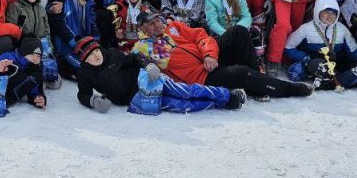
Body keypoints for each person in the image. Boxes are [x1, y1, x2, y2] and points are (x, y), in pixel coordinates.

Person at [135, 11, 312, 99]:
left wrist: (209, 54)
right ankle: (286, 88)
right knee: (241, 73)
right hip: (202, 76)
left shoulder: (173, 27)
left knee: (238, 32)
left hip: (209, 59)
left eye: (158, 19)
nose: (158, 24)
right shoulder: (143, 49)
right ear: (141, 28)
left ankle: (256, 84)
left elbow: (200, 35)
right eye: (152, 23)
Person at [75, 37, 245, 113]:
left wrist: (149, 65)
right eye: (90, 56)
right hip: (137, 99)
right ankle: (220, 104)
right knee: (180, 105)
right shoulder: (85, 73)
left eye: (96, 51)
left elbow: (135, 58)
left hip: (147, 80)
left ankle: (227, 95)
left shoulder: (112, 54)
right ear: (84, 60)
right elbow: (83, 93)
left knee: (184, 92)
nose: (96, 56)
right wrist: (93, 101)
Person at [282, 0, 357, 90]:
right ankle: (351, 81)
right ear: (318, 12)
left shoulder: (341, 29)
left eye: (333, 13)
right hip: (317, 63)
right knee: (316, 64)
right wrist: (305, 57)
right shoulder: (305, 29)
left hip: (337, 64)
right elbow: (288, 47)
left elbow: (353, 50)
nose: (330, 16)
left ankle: (333, 83)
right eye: (326, 12)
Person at [47, 0, 99, 74]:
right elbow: (57, 22)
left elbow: (91, 13)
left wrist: (94, 35)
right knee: (84, 71)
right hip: (67, 45)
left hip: (83, 41)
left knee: (97, 66)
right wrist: (72, 41)